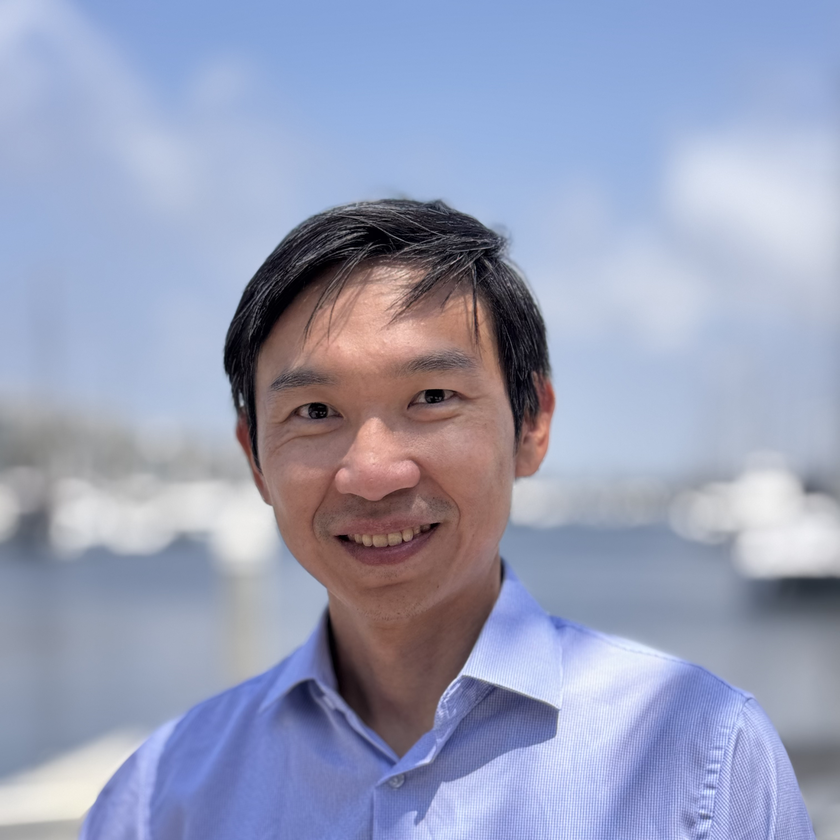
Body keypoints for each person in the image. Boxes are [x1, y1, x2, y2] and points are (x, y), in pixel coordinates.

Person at [81, 199, 815, 839]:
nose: (372, 473)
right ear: (254, 460)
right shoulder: (160, 798)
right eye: (314, 412)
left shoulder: (705, 756)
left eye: (431, 398)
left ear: (532, 425)